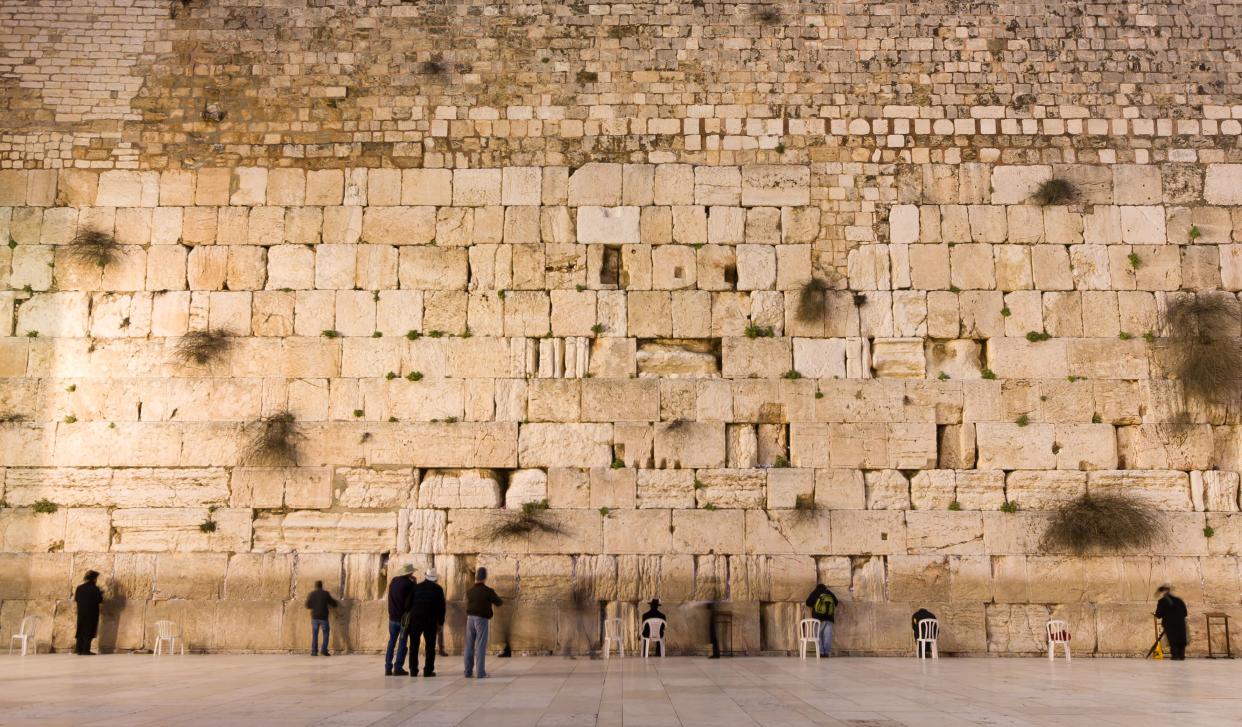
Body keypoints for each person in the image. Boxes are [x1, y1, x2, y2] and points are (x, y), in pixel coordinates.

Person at [465, 567, 504, 678]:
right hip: (481, 619)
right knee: (480, 645)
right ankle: (480, 673)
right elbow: (499, 602)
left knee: (469, 645)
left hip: (470, 619)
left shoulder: (470, 591)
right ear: (484, 577)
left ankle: (467, 672)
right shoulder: (488, 591)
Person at [408, 568, 446, 677]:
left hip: (415, 619)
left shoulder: (416, 587)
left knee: (414, 645)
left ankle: (413, 670)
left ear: (426, 576)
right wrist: (441, 622)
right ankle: (428, 671)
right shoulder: (438, 589)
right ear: (435, 579)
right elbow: (441, 607)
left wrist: (410, 615)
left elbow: (408, 604)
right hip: (430, 620)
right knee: (430, 646)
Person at [385, 564, 417, 676]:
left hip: (392, 618)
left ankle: (387, 667)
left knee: (391, 642)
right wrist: (414, 584)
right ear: (409, 573)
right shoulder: (409, 584)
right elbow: (412, 599)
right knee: (402, 643)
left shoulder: (393, 581)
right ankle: (398, 667)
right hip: (403, 619)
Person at [74, 570, 104, 655]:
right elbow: (100, 600)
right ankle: (85, 650)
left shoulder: (79, 588)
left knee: (81, 629)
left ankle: (79, 649)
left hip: (81, 612)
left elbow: (76, 599)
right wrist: (100, 593)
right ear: (94, 579)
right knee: (89, 630)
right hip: (92, 612)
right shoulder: (95, 588)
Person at [1155, 584, 1189, 660]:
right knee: (1181, 639)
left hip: (1169, 624)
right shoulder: (1179, 600)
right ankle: (1182, 656)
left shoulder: (1162, 601)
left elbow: (1159, 614)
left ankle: (1175, 656)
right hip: (1180, 623)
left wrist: (1156, 614)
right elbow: (1185, 613)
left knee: (1173, 639)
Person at [305, 580, 338, 656]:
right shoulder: (325, 594)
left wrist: (314, 606)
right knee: (325, 633)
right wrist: (336, 604)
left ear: (316, 586)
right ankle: (323, 650)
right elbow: (333, 603)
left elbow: (307, 605)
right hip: (323, 617)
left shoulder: (312, 594)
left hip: (315, 617)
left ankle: (314, 651)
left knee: (315, 634)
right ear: (321, 586)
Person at [805, 583, 838, 657]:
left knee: (818, 636)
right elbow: (836, 602)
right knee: (827, 636)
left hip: (818, 619)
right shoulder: (829, 593)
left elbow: (808, 602)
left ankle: (821, 652)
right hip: (829, 619)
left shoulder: (816, 592)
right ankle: (826, 652)